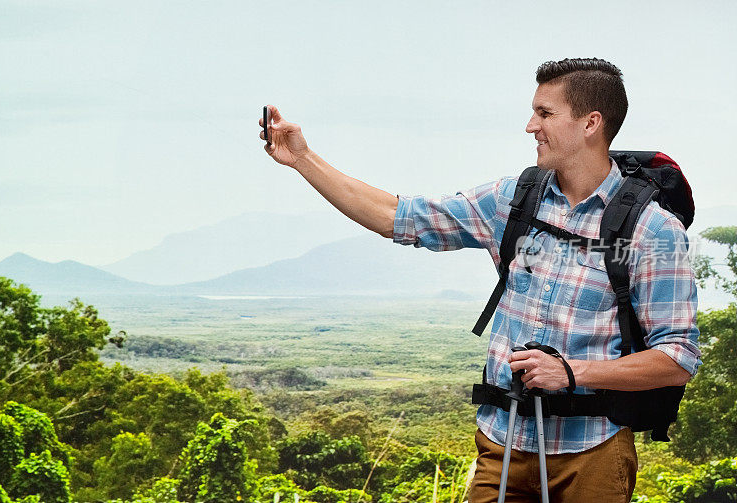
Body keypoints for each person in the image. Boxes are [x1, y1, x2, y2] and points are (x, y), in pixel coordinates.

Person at [259, 57, 701, 502]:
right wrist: (302, 159)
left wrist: (571, 372)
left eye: (545, 114)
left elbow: (678, 357)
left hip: (592, 451)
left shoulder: (652, 230)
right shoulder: (511, 200)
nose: (531, 126)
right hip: (502, 443)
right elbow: (399, 217)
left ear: (591, 123)